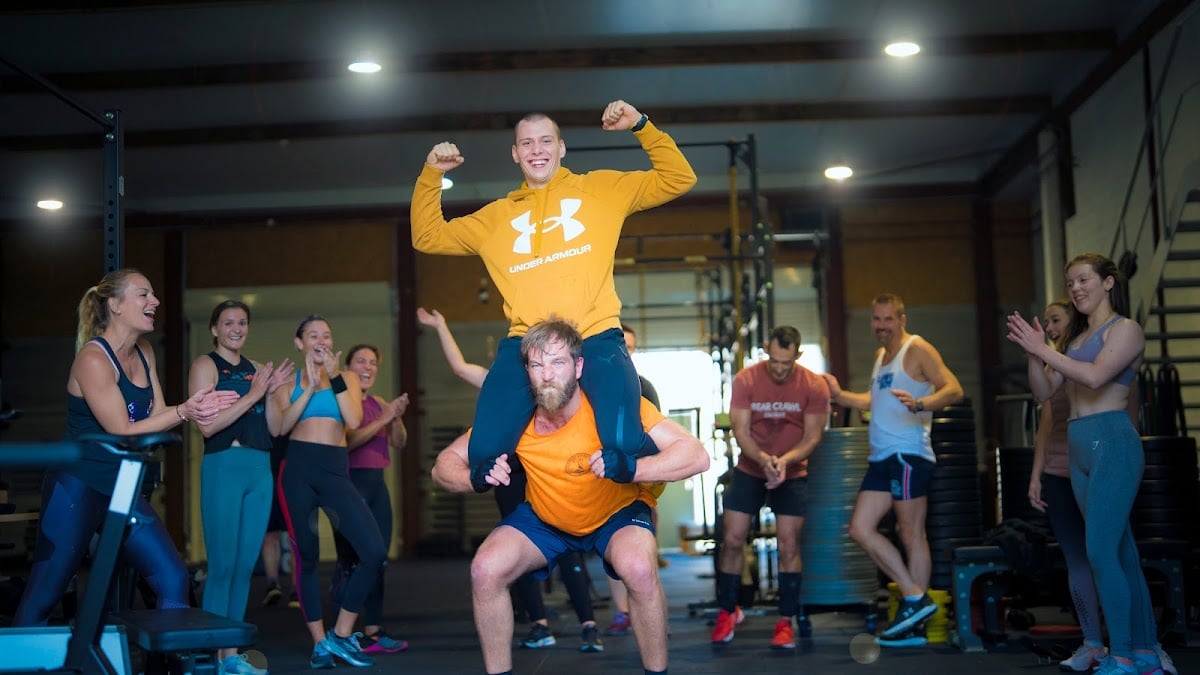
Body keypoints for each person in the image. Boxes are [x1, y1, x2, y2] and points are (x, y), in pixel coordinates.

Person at [412, 100, 697, 494]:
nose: (537, 150)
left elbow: (679, 178)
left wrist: (641, 125)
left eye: (546, 141)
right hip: (527, 343)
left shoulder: (601, 189)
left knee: (623, 444)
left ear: (562, 148)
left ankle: (627, 510)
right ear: (515, 154)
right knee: (485, 453)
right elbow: (426, 236)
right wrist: (431, 174)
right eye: (526, 144)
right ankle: (540, 507)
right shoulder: (495, 218)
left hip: (595, 336)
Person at [431, 317, 710, 675]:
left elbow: (696, 455)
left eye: (557, 362)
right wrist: (474, 476)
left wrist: (632, 469)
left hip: (616, 512)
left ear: (578, 366)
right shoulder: (514, 419)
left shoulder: (614, 408)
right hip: (546, 519)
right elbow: (443, 465)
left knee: (639, 569)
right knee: (485, 569)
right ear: (527, 372)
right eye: (537, 364)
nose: (547, 374)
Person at [14, 268, 238, 626]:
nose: (156, 301)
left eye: (154, 295)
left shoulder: (145, 352)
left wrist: (197, 406)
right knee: (46, 592)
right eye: (144, 294)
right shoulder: (93, 358)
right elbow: (122, 431)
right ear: (115, 305)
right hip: (78, 485)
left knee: (172, 578)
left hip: (122, 486)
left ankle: (163, 666)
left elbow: (160, 412)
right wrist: (184, 412)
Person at [1007, 254, 1168, 675]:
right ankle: (1146, 652)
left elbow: (1096, 378)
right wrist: (1032, 352)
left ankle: (1123, 655)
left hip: (1111, 440)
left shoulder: (1125, 330)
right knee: (1118, 550)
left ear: (1109, 283)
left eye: (1084, 280)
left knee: (1099, 550)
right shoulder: (1075, 341)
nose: (1076, 288)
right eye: (1071, 282)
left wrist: (1045, 349)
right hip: (1078, 447)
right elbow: (1045, 391)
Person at [417, 307, 603, 652]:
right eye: (536, 360)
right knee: (515, 547)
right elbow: (459, 367)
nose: (544, 367)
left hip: (545, 473)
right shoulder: (500, 385)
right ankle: (540, 623)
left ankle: (589, 624)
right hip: (508, 474)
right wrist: (441, 326)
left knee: (566, 546)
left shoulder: (557, 380)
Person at [823, 293, 964, 641]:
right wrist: (841, 396)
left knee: (910, 534)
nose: (881, 326)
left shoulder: (917, 350)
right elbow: (875, 401)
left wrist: (921, 403)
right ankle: (915, 597)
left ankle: (914, 614)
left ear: (902, 319)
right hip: (881, 457)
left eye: (888, 319)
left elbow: (954, 389)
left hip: (908, 455)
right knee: (859, 528)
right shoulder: (881, 356)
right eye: (876, 319)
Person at [271, 315, 387, 669]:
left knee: (373, 551)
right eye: (313, 335)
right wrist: (307, 387)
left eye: (326, 335)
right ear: (299, 342)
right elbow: (280, 428)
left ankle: (340, 634)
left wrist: (333, 375)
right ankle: (320, 643)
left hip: (336, 471)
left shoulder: (347, 377)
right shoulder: (286, 380)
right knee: (306, 556)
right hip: (298, 470)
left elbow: (353, 421)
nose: (321, 340)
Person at [189, 300, 293, 674]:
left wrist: (275, 393)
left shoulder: (254, 370)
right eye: (228, 322)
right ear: (215, 329)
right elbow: (207, 426)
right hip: (224, 467)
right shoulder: (205, 366)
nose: (236, 328)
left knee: (244, 567)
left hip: (258, 469)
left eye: (242, 322)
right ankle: (216, 652)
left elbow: (277, 428)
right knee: (222, 567)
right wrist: (253, 395)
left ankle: (229, 656)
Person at [711, 326, 830, 648]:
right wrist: (765, 460)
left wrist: (785, 461)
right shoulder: (746, 380)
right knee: (733, 539)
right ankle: (727, 610)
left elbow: (813, 436)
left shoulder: (814, 385)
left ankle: (785, 620)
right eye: (774, 361)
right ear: (766, 349)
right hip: (751, 467)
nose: (779, 369)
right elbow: (741, 430)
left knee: (789, 545)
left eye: (786, 363)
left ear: (798, 356)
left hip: (792, 472)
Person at [329, 344, 410, 654]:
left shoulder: (378, 403)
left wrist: (395, 418)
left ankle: (373, 630)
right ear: (348, 368)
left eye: (373, 362)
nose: (367, 366)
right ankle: (341, 632)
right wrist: (383, 419)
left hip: (377, 487)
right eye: (360, 361)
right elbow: (348, 443)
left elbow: (399, 443)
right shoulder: (343, 403)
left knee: (379, 561)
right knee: (352, 562)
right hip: (350, 486)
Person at [606, 322, 665, 638]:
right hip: (607, 476)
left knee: (643, 547)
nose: (625, 353)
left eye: (630, 348)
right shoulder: (596, 385)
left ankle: (653, 613)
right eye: (621, 347)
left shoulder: (644, 387)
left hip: (641, 475)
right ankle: (622, 612)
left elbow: (655, 437)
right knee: (611, 546)